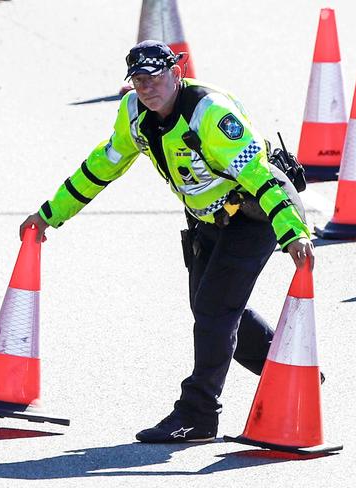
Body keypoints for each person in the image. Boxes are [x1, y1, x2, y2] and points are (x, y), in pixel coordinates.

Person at [20, 40, 315, 443]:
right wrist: (49, 214)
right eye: (139, 80)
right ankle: (292, 370)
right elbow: (102, 166)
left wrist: (293, 233)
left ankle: (198, 414)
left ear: (177, 73)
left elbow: (261, 176)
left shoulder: (209, 114)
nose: (147, 88)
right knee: (211, 309)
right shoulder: (134, 115)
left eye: (155, 77)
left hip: (255, 211)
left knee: (215, 309)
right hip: (206, 217)